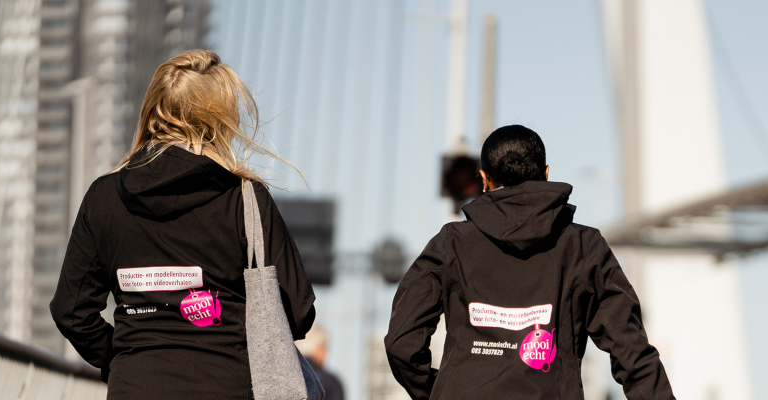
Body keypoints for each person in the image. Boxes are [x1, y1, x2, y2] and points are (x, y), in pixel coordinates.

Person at [49, 50, 316, 399]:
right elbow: (297, 311)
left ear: (153, 110)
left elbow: (71, 311)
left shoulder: (104, 198)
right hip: (229, 386)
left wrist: (126, 358)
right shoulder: (245, 199)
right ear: (220, 117)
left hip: (136, 386)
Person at [384, 125, 675, 399]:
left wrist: (439, 391)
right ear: (546, 174)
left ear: (484, 180)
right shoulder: (583, 246)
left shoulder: (451, 243)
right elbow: (631, 351)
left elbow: (401, 343)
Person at [296, 326, 345, 400]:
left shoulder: (287, 373)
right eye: (325, 347)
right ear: (319, 347)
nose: (326, 353)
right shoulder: (330, 383)